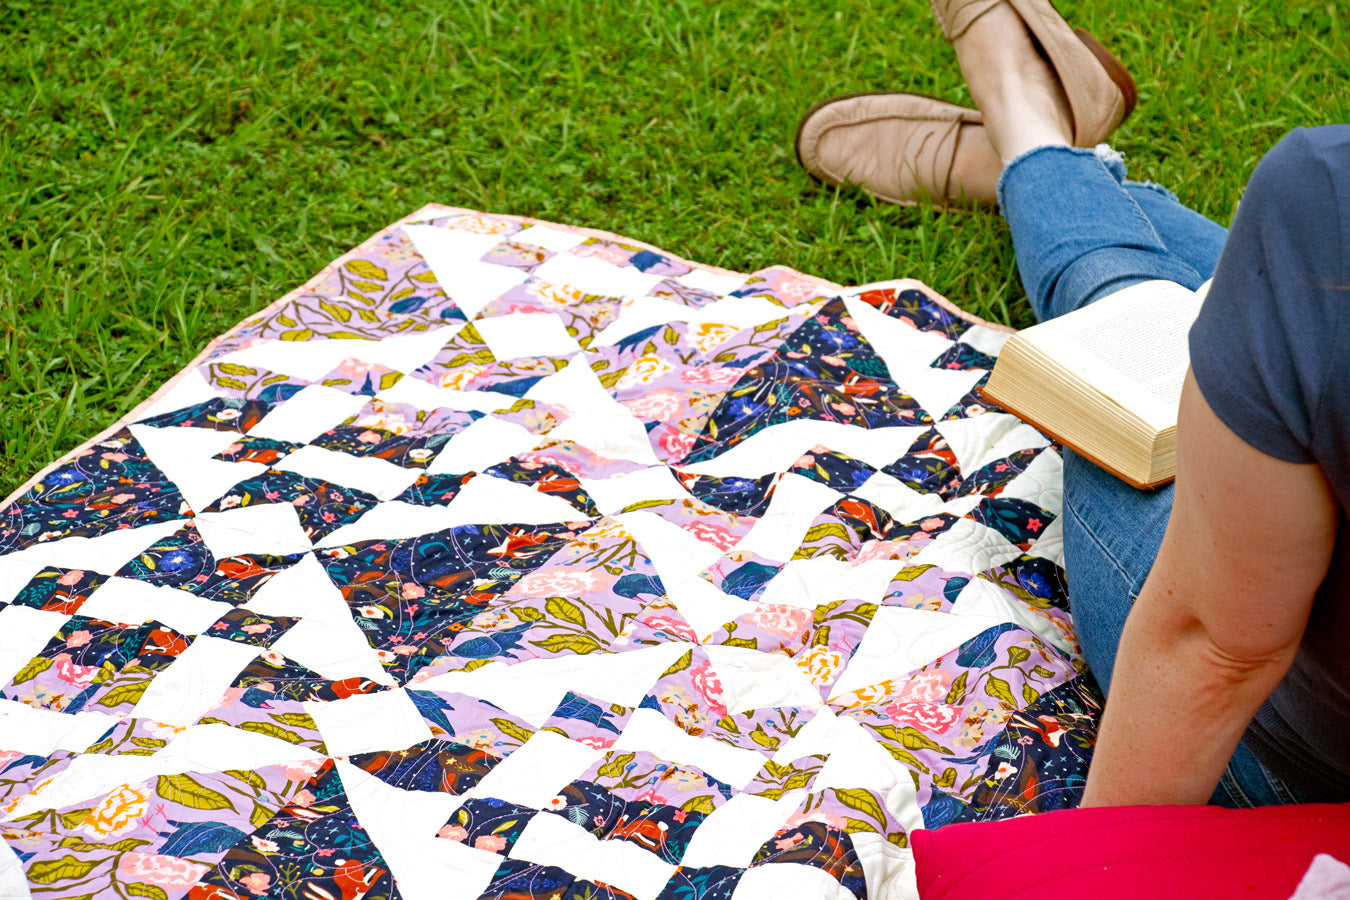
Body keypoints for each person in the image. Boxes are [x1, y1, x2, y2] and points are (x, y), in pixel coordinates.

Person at [794, 0, 1350, 808]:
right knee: (1286, 285)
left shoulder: (1325, 202)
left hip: (1300, 767)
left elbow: (1217, 648)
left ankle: (1028, 130)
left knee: (1130, 311)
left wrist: (1099, 876)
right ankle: (1050, 164)